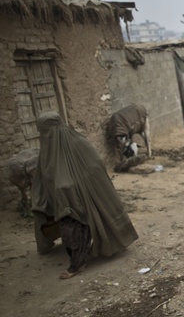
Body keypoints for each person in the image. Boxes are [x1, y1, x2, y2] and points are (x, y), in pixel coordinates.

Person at [31, 111, 139, 279]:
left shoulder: (78, 143)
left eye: (47, 133)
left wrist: (73, 185)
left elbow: (95, 166)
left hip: (81, 195)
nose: (45, 137)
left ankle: (77, 264)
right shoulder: (48, 151)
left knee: (73, 228)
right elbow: (43, 177)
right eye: (42, 133)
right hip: (61, 197)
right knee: (60, 220)